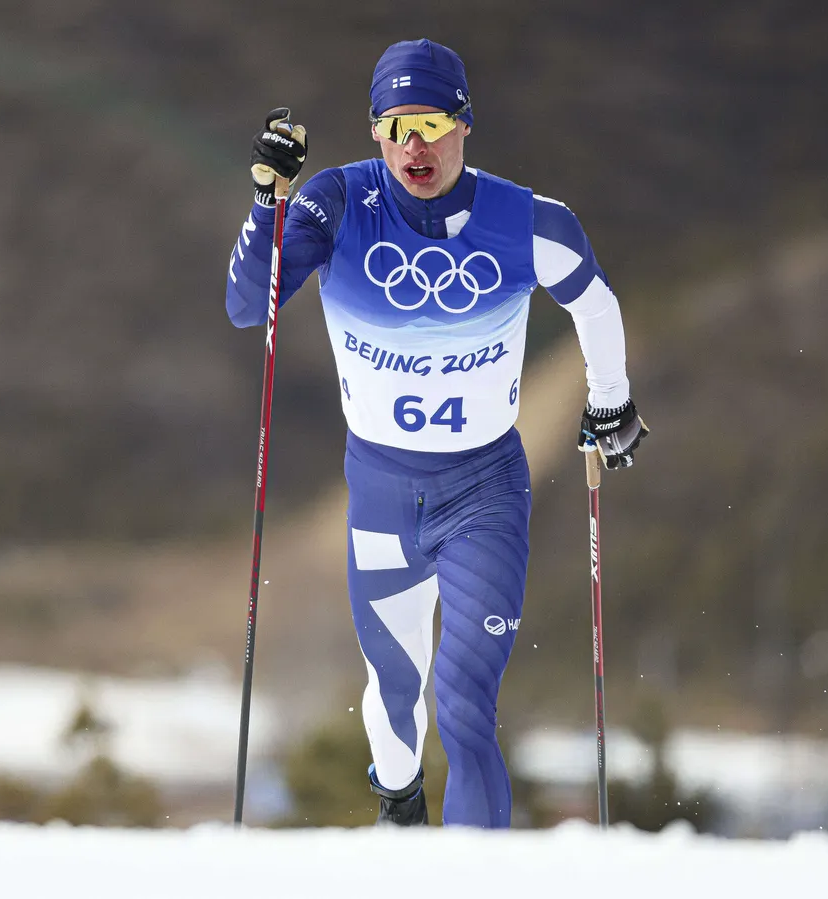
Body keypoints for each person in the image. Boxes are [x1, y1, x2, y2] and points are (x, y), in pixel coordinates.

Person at [224, 38, 647, 828]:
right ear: (375, 130)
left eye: (430, 122)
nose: (412, 145)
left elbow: (595, 302)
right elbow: (252, 304)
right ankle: (401, 813)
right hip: (382, 493)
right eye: (394, 125)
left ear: (464, 125)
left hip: (484, 489)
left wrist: (610, 402)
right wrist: (266, 201)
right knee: (395, 692)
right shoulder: (339, 204)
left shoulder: (523, 221)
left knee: (463, 703)